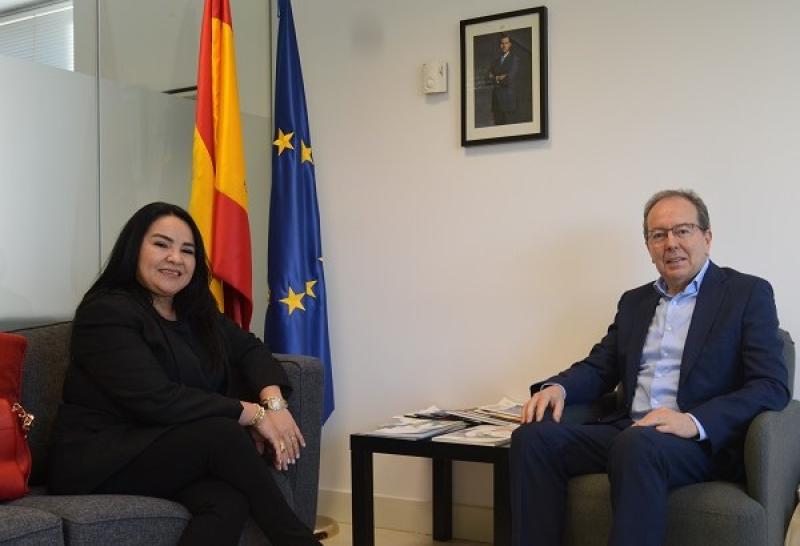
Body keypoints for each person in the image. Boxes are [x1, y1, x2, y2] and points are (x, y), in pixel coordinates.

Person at [510, 189, 790, 546]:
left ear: (707, 237)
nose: (670, 243)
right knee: (533, 437)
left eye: (682, 230)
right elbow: (600, 367)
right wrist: (557, 388)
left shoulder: (747, 293)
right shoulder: (635, 302)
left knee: (638, 445)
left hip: (697, 441)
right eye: (658, 235)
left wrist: (692, 421)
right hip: (629, 429)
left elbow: (770, 384)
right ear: (648, 247)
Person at [48, 202, 321, 546]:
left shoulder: (194, 311)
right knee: (222, 434)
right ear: (134, 248)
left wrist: (274, 402)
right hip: (101, 457)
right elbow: (156, 400)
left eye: (187, 250)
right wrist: (252, 414)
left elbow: (250, 348)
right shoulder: (106, 311)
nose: (175, 258)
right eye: (161, 244)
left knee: (226, 500)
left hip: (161, 448)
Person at [488, 33, 520, 125]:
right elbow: (486, 78)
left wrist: (494, 77)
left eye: (506, 43)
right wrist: (499, 77)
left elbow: (509, 78)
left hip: (508, 101)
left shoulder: (514, 59)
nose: (504, 46)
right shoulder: (496, 61)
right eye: (502, 43)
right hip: (496, 101)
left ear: (510, 44)